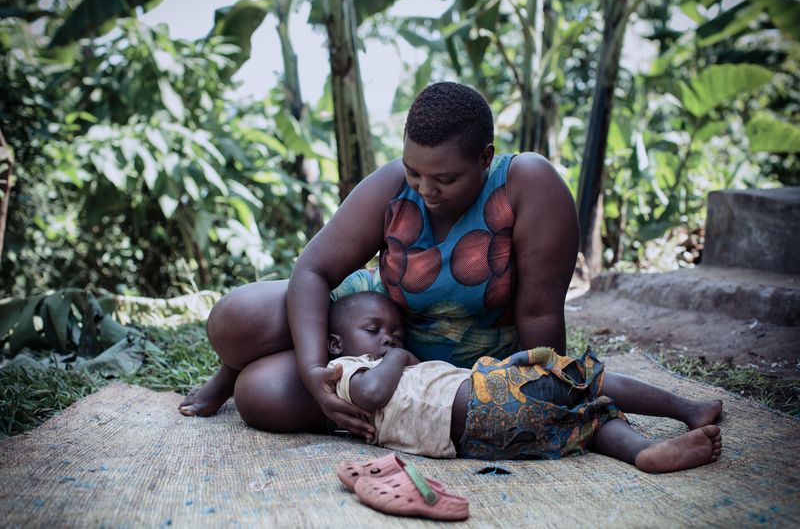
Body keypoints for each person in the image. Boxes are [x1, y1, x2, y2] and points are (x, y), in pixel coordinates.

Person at [179, 82, 586, 437]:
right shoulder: (391, 185)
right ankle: (234, 372)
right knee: (236, 316)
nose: (427, 189)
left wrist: (542, 394)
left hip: (453, 361)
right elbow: (314, 269)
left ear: (484, 158)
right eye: (414, 172)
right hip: (375, 320)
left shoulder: (527, 185)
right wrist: (312, 371)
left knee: (261, 395)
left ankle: (341, 403)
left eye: (445, 179)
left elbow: (538, 317)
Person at [326, 291, 723, 472]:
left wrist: (398, 356)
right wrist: (397, 355)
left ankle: (643, 453)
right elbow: (372, 393)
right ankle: (686, 409)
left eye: (394, 332)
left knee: (585, 423)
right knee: (580, 380)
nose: (388, 338)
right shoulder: (346, 369)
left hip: (481, 442)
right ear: (335, 343)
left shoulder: (387, 363)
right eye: (373, 329)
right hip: (484, 397)